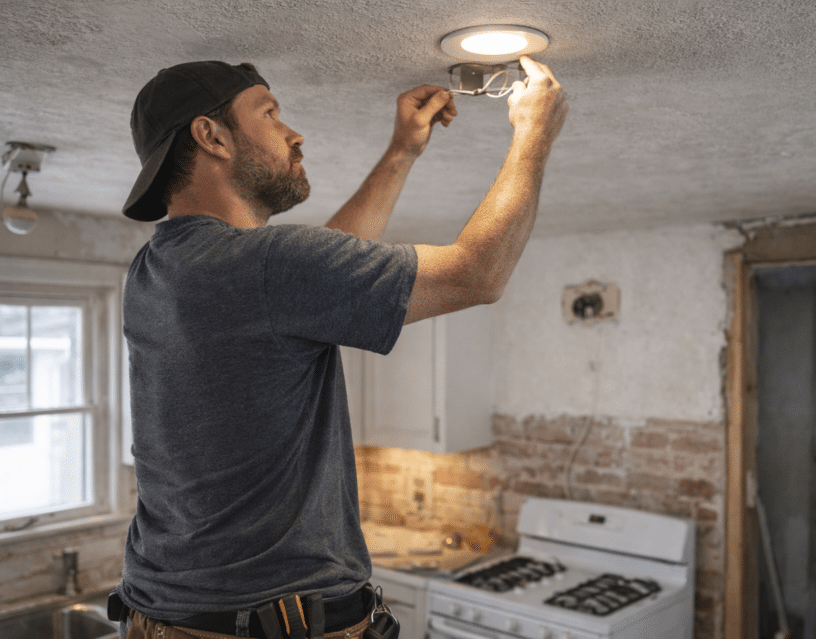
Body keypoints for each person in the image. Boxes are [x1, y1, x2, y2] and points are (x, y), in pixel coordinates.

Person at [112, 55, 568, 639]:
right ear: (212, 136)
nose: (293, 133)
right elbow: (477, 273)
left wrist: (401, 153)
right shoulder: (264, 267)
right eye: (270, 114)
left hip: (163, 615)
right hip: (264, 625)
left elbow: (312, 280)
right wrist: (534, 134)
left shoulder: (157, 270)